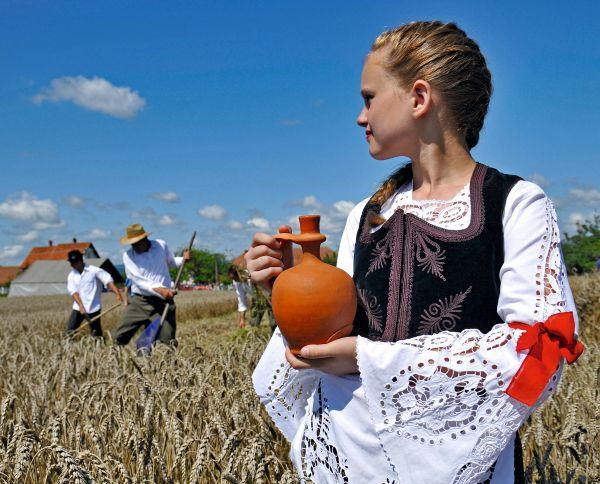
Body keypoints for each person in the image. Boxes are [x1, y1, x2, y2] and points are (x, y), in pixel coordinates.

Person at [245, 21, 584, 483]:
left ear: (419, 98)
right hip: (353, 460)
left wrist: (373, 361)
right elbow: (334, 335)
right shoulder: (368, 213)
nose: (360, 117)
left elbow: (541, 345)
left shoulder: (514, 203)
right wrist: (292, 287)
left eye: (369, 98)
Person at [112, 223, 190, 346]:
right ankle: (113, 360)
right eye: (132, 243)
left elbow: (170, 262)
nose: (134, 245)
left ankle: (166, 363)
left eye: (137, 242)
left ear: (145, 238)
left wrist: (183, 259)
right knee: (119, 336)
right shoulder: (128, 256)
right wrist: (161, 290)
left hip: (163, 301)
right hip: (140, 302)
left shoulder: (161, 245)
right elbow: (139, 280)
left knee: (167, 340)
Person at [66, 249, 123, 337]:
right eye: (71, 262)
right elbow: (73, 292)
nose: (71, 265)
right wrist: (81, 306)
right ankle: (67, 346)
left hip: (93, 307)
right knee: (70, 331)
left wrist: (118, 294)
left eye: (73, 262)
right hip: (78, 308)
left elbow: (108, 281)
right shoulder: (71, 275)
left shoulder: (94, 270)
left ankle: (99, 347)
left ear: (80, 261)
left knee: (96, 333)